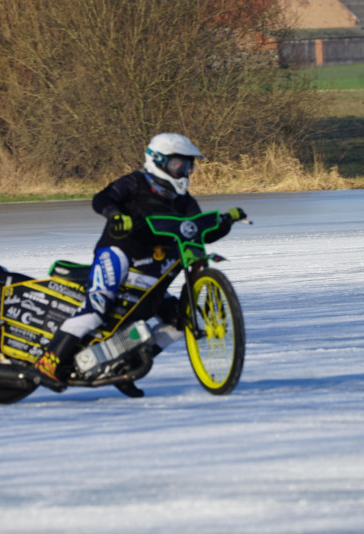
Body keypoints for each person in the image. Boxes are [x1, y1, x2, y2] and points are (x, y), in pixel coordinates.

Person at [34, 133, 246, 393]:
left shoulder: (184, 201)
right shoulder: (135, 183)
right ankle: (47, 362)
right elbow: (102, 198)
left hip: (152, 270)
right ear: (158, 161)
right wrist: (115, 215)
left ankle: (123, 366)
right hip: (119, 252)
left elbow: (199, 231)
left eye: (188, 165)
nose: (185, 171)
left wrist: (225, 222)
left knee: (181, 321)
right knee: (97, 308)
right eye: (178, 164)